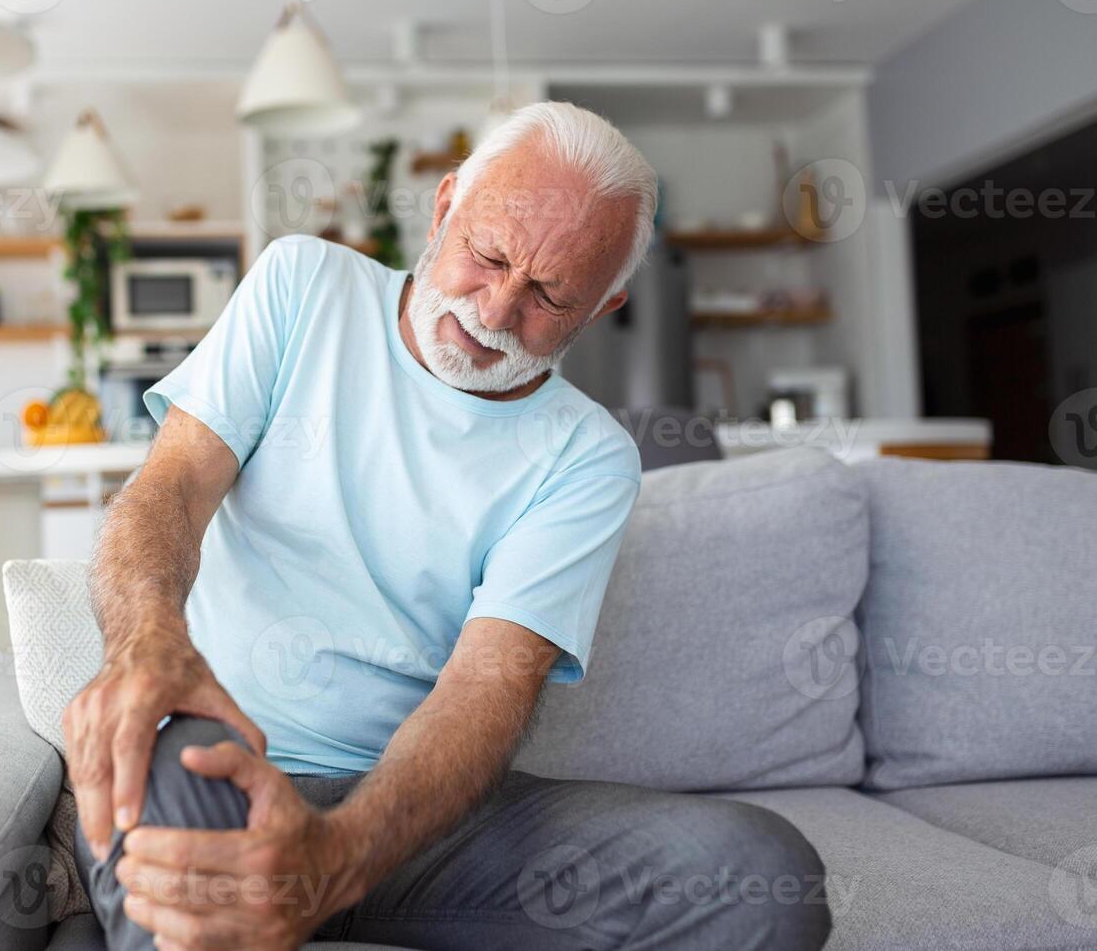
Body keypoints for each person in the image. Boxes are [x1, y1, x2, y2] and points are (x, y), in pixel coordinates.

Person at [62, 101, 831, 950]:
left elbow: (485, 690)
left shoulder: (588, 457)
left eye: (547, 294)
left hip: (419, 818)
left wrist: (335, 858)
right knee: (179, 811)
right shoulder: (302, 286)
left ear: (603, 305)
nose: (495, 314)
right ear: (443, 209)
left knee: (760, 879)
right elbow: (169, 489)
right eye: (488, 256)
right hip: (227, 758)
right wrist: (148, 645)